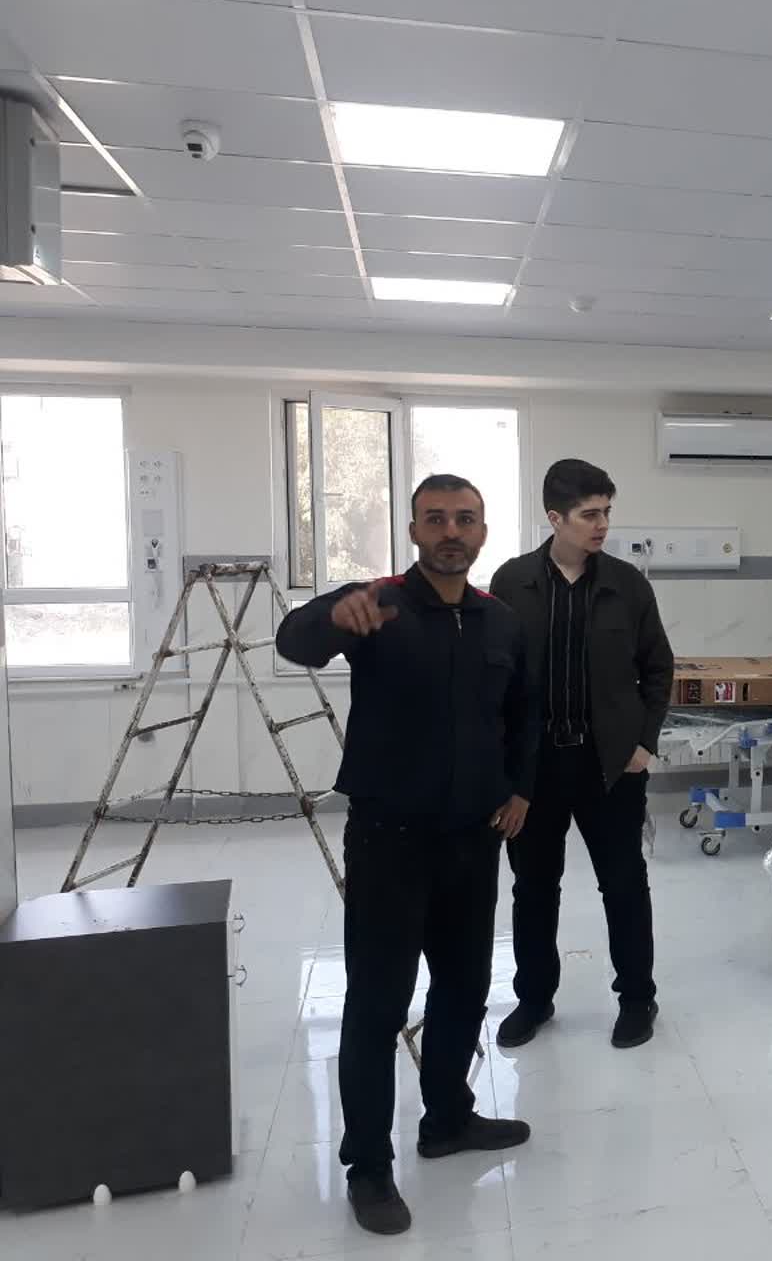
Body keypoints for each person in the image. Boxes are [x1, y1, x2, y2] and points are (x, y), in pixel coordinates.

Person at [276, 475, 535, 1237]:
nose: (451, 531)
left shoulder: (500, 622)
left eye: (465, 519)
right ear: (415, 530)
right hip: (389, 840)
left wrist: (520, 787)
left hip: (473, 838)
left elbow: (522, 715)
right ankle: (367, 1166)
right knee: (377, 1003)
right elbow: (295, 641)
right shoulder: (376, 604)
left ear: (482, 531)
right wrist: (331, 613)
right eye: (435, 519)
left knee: (463, 989)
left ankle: (447, 1118)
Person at [489, 458, 674, 1052]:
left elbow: (658, 668)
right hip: (535, 770)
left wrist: (643, 744)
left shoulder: (628, 585)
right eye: (589, 514)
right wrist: (502, 766)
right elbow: (496, 677)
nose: (602, 525)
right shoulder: (512, 582)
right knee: (533, 889)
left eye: (606, 513)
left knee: (623, 885)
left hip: (610, 766)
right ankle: (534, 999)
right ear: (555, 518)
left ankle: (637, 999)